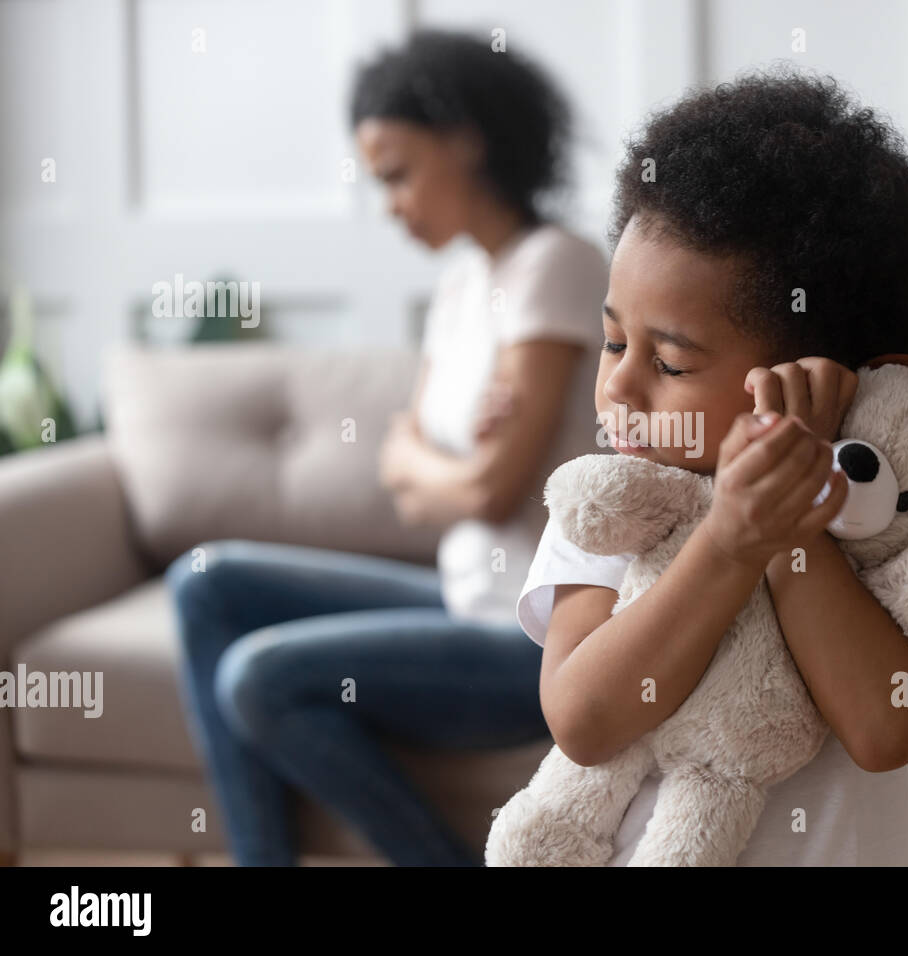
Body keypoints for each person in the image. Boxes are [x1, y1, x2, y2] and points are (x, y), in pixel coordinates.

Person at [166, 30, 608, 866]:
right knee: (204, 584)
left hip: (538, 635)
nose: (391, 205)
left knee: (257, 677)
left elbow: (489, 493)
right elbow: (403, 474)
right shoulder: (460, 289)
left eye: (399, 174)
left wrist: (433, 466)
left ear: (467, 142)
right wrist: (440, 466)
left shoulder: (556, 265)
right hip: (460, 596)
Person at [506, 67, 908, 865]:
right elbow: (583, 721)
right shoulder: (613, 504)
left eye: (671, 363)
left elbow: (885, 729)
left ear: (812, 372)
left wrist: (792, 525)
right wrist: (728, 542)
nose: (617, 383)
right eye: (616, 341)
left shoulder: (889, 502)